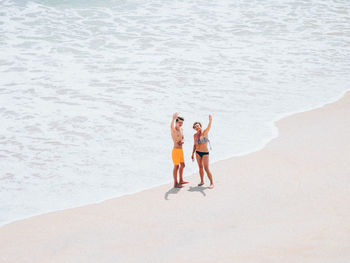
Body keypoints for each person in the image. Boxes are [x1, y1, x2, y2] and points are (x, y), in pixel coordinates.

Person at [191, 114, 214, 189]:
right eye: (195, 127)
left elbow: (209, 127)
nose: (197, 127)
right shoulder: (194, 135)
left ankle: (211, 183)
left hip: (205, 153)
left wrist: (210, 120)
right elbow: (194, 145)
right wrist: (192, 154)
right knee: (200, 167)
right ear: (194, 129)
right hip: (197, 153)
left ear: (200, 126)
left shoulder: (204, 132)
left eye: (198, 125)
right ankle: (202, 181)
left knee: (206, 168)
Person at [170, 113, 188, 188]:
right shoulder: (174, 130)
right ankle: (175, 183)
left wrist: (183, 141)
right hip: (176, 150)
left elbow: (183, 137)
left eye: (182, 122)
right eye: (179, 122)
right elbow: (171, 126)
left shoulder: (181, 129)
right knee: (176, 167)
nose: (181, 124)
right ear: (176, 122)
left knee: (183, 165)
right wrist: (173, 119)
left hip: (181, 150)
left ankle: (181, 180)